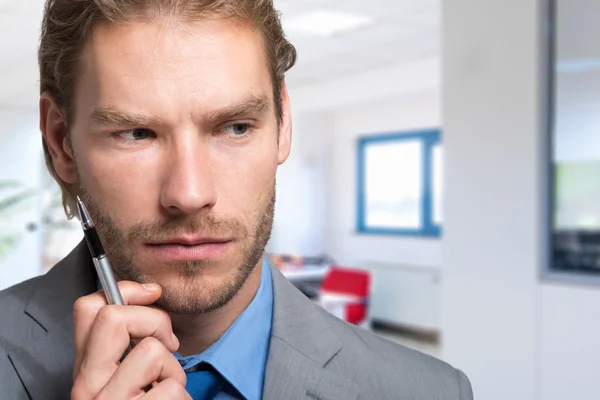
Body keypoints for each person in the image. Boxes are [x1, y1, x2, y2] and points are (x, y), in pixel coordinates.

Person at [0, 1, 473, 399]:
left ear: (283, 124)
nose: (189, 194)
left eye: (235, 127)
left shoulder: (429, 390)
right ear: (62, 142)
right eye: (136, 133)